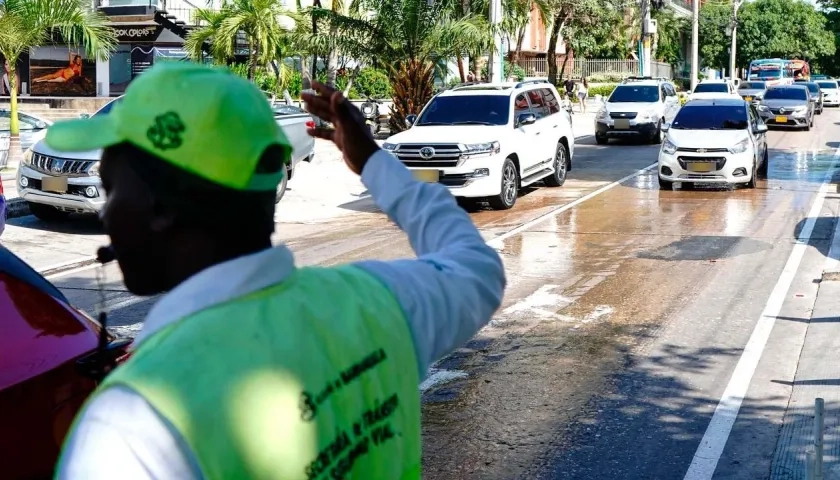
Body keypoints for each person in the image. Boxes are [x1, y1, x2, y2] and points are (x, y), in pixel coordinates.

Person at [51, 62, 505, 478]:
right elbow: (476, 268)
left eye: (112, 189)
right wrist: (371, 161)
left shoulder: (134, 424)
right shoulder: (377, 301)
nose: (107, 215)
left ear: (159, 208)